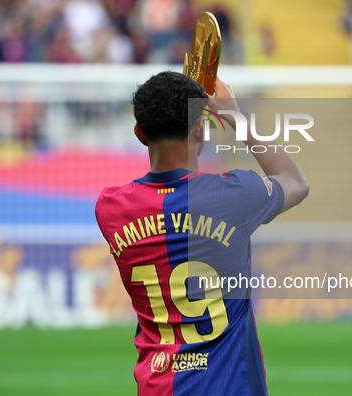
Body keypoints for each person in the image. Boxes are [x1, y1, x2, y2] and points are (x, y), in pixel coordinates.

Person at [95, 71, 309, 395]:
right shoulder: (235, 195)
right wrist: (234, 115)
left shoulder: (110, 209)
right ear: (200, 128)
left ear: (140, 133)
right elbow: (295, 181)